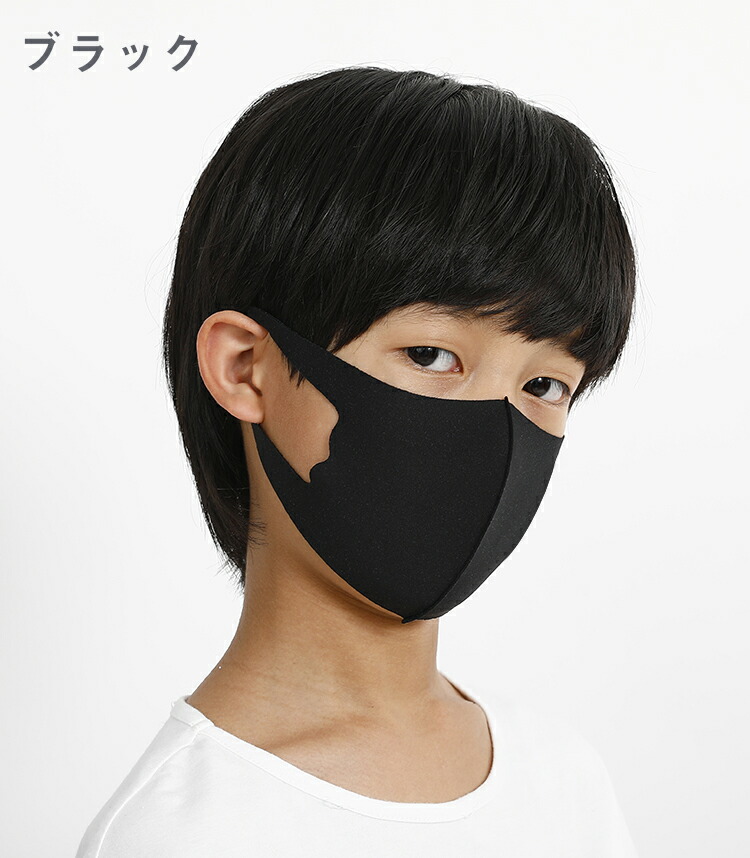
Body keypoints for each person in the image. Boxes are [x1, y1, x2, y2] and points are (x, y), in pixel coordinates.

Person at [75, 65, 640, 856]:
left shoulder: (565, 779)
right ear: (247, 368)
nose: (498, 433)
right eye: (432, 355)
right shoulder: (184, 833)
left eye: (543, 385)